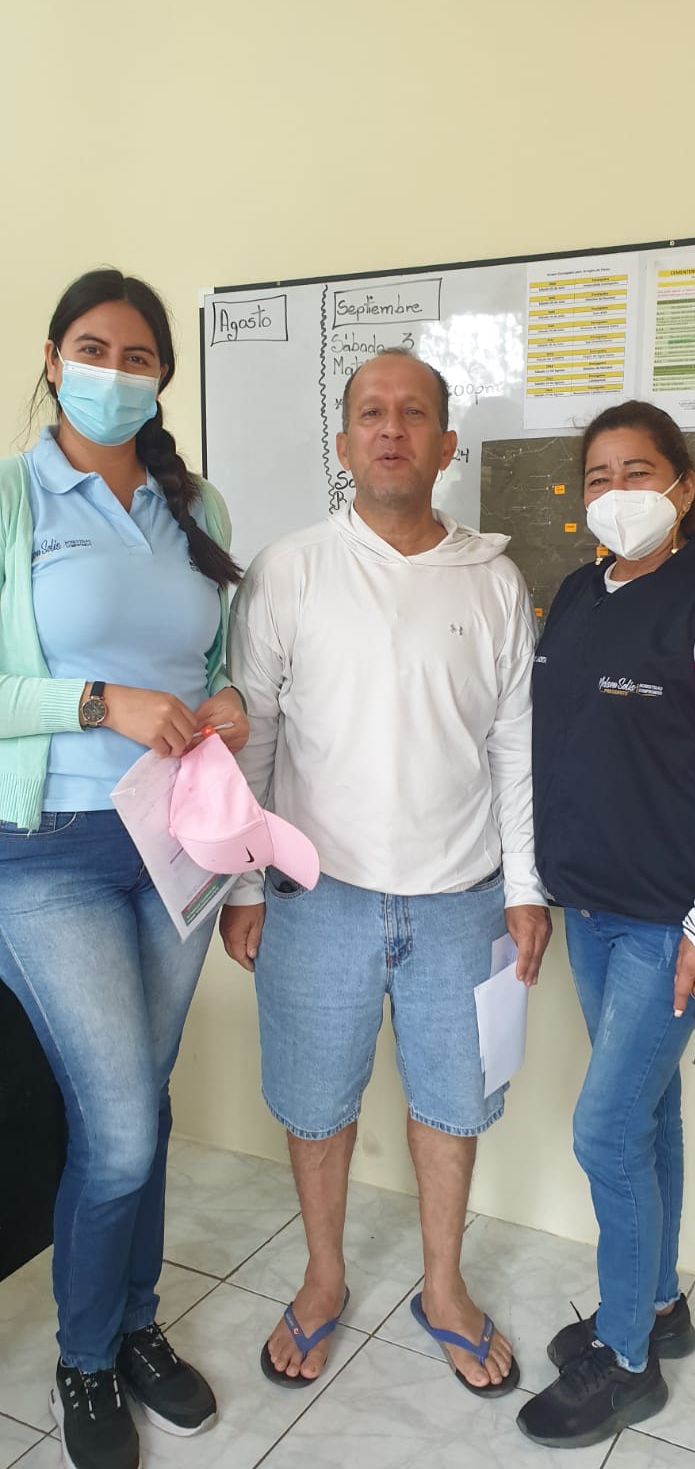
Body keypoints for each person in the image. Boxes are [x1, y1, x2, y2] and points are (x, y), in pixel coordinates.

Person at [221, 348, 551, 1396]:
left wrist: (525, 888)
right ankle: (323, 1277)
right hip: (315, 896)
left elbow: (515, 748)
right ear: (343, 442)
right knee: (316, 1103)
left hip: (462, 899)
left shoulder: (493, 581)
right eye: (371, 412)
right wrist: (242, 884)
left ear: (448, 445)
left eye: (413, 413)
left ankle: (442, 1288)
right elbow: (255, 739)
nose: (391, 428)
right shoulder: (289, 570)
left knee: (453, 1105)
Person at [0, 269, 249, 1469]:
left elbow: (218, 662)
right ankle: (87, 1355)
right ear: (53, 360)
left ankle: (137, 1321)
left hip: (177, 840)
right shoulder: (13, 496)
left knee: (143, 1104)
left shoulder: (197, 504)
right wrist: (98, 700)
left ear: (161, 378)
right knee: (116, 1128)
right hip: (48, 851)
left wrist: (228, 701)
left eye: (138, 355)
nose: (113, 370)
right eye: (92, 348)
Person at [517, 400, 695, 1449]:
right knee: (649, 1115)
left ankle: (626, 1360)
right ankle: (660, 1305)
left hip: (671, 925)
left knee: (605, 1129)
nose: (615, 492)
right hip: (592, 909)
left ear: (682, 485)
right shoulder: (580, 593)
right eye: (597, 475)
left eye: (637, 471)